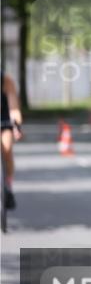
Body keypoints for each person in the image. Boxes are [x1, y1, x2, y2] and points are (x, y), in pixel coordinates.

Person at [2, 71, 24, 211]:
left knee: (6, 147)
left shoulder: (5, 81)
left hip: (3, 123)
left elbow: (14, 109)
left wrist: (16, 126)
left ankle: (8, 186)